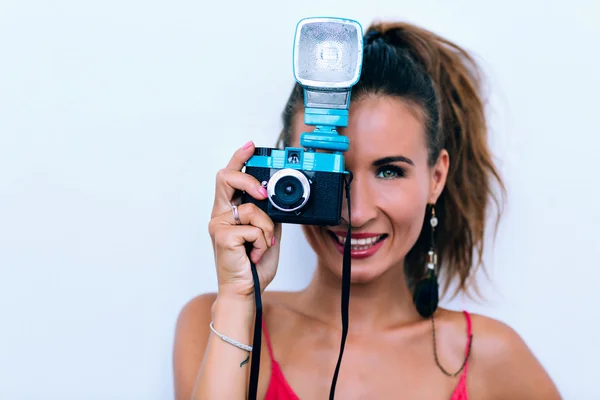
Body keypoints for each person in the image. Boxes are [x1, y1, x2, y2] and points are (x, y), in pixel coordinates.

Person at [172, 20, 561, 399]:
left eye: (389, 171)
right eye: (328, 172)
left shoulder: (491, 359)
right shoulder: (214, 320)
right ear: (283, 176)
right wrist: (240, 297)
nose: (355, 213)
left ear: (437, 177)